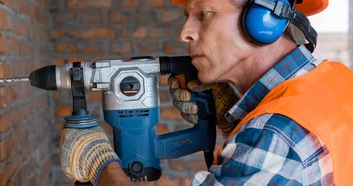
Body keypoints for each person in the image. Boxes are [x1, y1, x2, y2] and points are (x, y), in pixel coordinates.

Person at [59, 0, 353, 185]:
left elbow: (281, 144)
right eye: (189, 14)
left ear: (265, 20)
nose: (184, 32)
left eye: (205, 13)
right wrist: (233, 120)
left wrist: (101, 167)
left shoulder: (276, 134)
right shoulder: (338, 80)